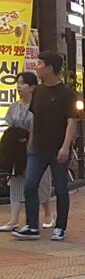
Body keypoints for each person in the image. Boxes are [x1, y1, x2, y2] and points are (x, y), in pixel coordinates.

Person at [12, 51, 77, 241]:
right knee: (30, 185)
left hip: (58, 149)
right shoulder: (38, 91)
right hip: (37, 149)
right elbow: (34, 117)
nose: (36, 66)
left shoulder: (66, 94)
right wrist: (31, 140)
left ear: (50, 68)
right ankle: (32, 226)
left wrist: (65, 147)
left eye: (40, 63)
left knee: (61, 189)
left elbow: (72, 121)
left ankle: (60, 227)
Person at [0, 72, 55, 232]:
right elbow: (9, 124)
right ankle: (14, 220)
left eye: (23, 83)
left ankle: (47, 214)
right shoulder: (14, 107)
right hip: (17, 152)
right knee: (16, 182)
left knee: (41, 182)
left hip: (36, 150)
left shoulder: (39, 106)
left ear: (32, 87)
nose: (19, 87)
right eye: (18, 83)